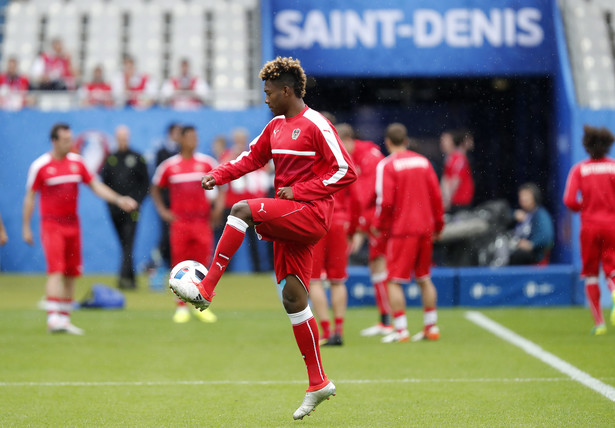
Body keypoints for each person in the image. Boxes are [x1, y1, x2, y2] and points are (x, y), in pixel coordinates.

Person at [174, 57, 356, 419]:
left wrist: (301, 190)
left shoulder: (317, 124)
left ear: (287, 91)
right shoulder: (275, 126)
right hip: (292, 215)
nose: (266, 99)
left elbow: (346, 171)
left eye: (269, 92)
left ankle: (207, 288)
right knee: (293, 297)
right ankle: (318, 382)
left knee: (241, 210)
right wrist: (219, 174)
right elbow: (250, 158)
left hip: (312, 214)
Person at [22, 123, 137, 334]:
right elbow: (30, 197)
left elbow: (95, 186)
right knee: (56, 271)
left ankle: (64, 319)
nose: (69, 143)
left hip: (73, 224)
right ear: (54, 141)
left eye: (70, 139)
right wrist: (26, 227)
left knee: (71, 272)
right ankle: (52, 318)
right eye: (65, 140)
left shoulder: (77, 163)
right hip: (52, 224)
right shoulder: (41, 165)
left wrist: (119, 199)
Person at [374, 123, 444, 343]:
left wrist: (380, 227)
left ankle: (401, 330)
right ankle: (431, 327)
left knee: (393, 280)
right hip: (425, 228)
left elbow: (385, 202)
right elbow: (437, 197)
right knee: (424, 278)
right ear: (406, 140)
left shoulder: (387, 165)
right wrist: (439, 226)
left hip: (402, 230)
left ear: (387, 142)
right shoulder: (423, 162)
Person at [151, 125, 223, 323]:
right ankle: (180, 307)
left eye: (195, 136)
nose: (194, 140)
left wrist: (218, 209)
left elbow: (222, 185)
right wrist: (164, 212)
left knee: (202, 264)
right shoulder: (169, 165)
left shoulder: (207, 162)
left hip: (202, 221)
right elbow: (155, 188)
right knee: (179, 265)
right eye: (190, 137)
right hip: (180, 222)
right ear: (181, 140)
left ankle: (202, 304)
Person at [335, 123, 391, 337]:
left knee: (384, 267)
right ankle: (385, 320)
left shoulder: (369, 156)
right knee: (377, 267)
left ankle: (395, 322)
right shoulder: (352, 156)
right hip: (367, 219)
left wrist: (358, 227)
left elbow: (366, 194)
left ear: (348, 140)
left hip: (380, 219)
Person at [563, 125, 615, 336]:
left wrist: (582, 206)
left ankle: (600, 323)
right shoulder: (613, 167)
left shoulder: (579, 169)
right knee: (612, 268)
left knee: (591, 274)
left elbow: (568, 200)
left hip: (590, 227)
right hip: (612, 225)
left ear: (586, 146)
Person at [100, 125, 150, 289]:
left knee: (129, 242)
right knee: (124, 243)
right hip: (115, 209)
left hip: (133, 209)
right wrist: (112, 202)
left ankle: (123, 279)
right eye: (120, 137)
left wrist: (137, 202)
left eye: (125, 137)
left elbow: (145, 184)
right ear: (116, 138)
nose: (122, 140)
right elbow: (104, 184)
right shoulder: (110, 159)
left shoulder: (137, 157)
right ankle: (132, 278)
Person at [218, 127, 271, 272]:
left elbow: (265, 170)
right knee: (228, 238)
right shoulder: (229, 154)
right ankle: (224, 269)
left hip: (250, 203)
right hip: (231, 203)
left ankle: (258, 268)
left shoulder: (253, 154)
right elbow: (222, 167)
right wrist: (234, 155)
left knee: (255, 239)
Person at [152, 123, 183, 268]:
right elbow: (158, 182)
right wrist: (162, 207)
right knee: (167, 234)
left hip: (182, 202)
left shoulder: (183, 151)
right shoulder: (162, 153)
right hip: (168, 201)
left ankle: (175, 263)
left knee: (181, 234)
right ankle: (159, 259)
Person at [508, 183, 554, 266]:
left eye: (526, 195)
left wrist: (531, 244)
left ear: (534, 197)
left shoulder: (540, 214)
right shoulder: (519, 214)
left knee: (519, 255)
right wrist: (513, 216)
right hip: (515, 247)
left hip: (535, 255)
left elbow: (547, 236)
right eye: (521, 196)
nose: (523, 198)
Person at [441, 129, 474, 213]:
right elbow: (453, 180)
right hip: (460, 200)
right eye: (470, 140)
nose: (472, 142)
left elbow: (446, 179)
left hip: (458, 200)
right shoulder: (458, 158)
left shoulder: (453, 157)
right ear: (464, 141)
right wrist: (447, 200)